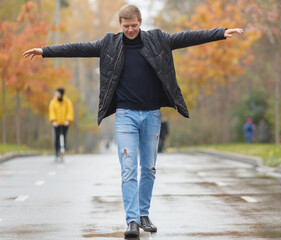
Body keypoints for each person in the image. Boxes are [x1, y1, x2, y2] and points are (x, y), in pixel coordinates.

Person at [23, 4, 243, 238]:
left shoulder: (158, 39)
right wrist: (44, 51)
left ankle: (144, 214)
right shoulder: (109, 44)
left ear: (140, 22)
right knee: (129, 169)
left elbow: (186, 37)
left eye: (134, 26)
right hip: (125, 115)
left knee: (148, 168)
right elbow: (78, 48)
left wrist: (220, 32)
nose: (130, 30)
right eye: (126, 26)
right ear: (120, 24)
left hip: (151, 114)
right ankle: (131, 220)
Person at [49, 88, 74, 160]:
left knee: (64, 136)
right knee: (57, 137)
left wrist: (68, 120)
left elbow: (70, 111)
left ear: (61, 94)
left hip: (65, 123)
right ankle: (56, 152)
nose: (56, 94)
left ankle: (62, 151)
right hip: (56, 123)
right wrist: (53, 121)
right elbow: (51, 111)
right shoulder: (53, 102)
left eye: (57, 93)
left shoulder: (67, 102)